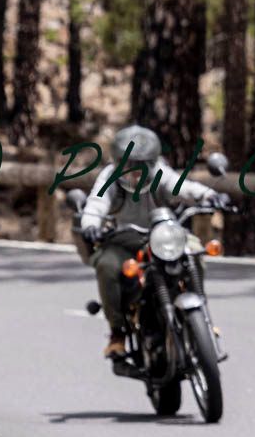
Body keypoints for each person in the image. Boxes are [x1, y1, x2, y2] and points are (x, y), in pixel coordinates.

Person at [78, 125, 232, 359]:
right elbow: (96, 202)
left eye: (141, 166)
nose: (135, 173)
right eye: (129, 166)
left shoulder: (161, 172)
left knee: (193, 251)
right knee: (107, 265)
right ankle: (117, 333)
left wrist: (209, 196)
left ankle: (202, 319)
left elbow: (182, 186)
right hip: (125, 241)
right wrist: (90, 225)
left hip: (164, 237)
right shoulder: (109, 178)